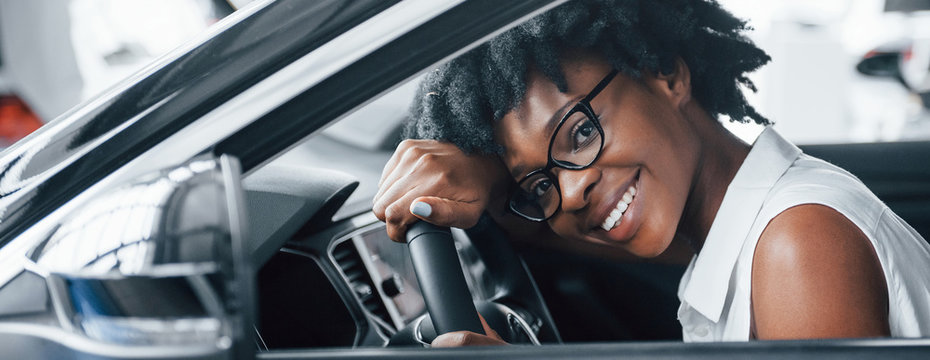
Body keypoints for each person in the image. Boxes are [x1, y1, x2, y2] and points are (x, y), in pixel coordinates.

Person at [373, 0, 930, 346]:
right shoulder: (734, 235)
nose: (569, 193)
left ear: (666, 74)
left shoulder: (796, 243)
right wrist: (495, 176)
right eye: (540, 186)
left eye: (582, 132)